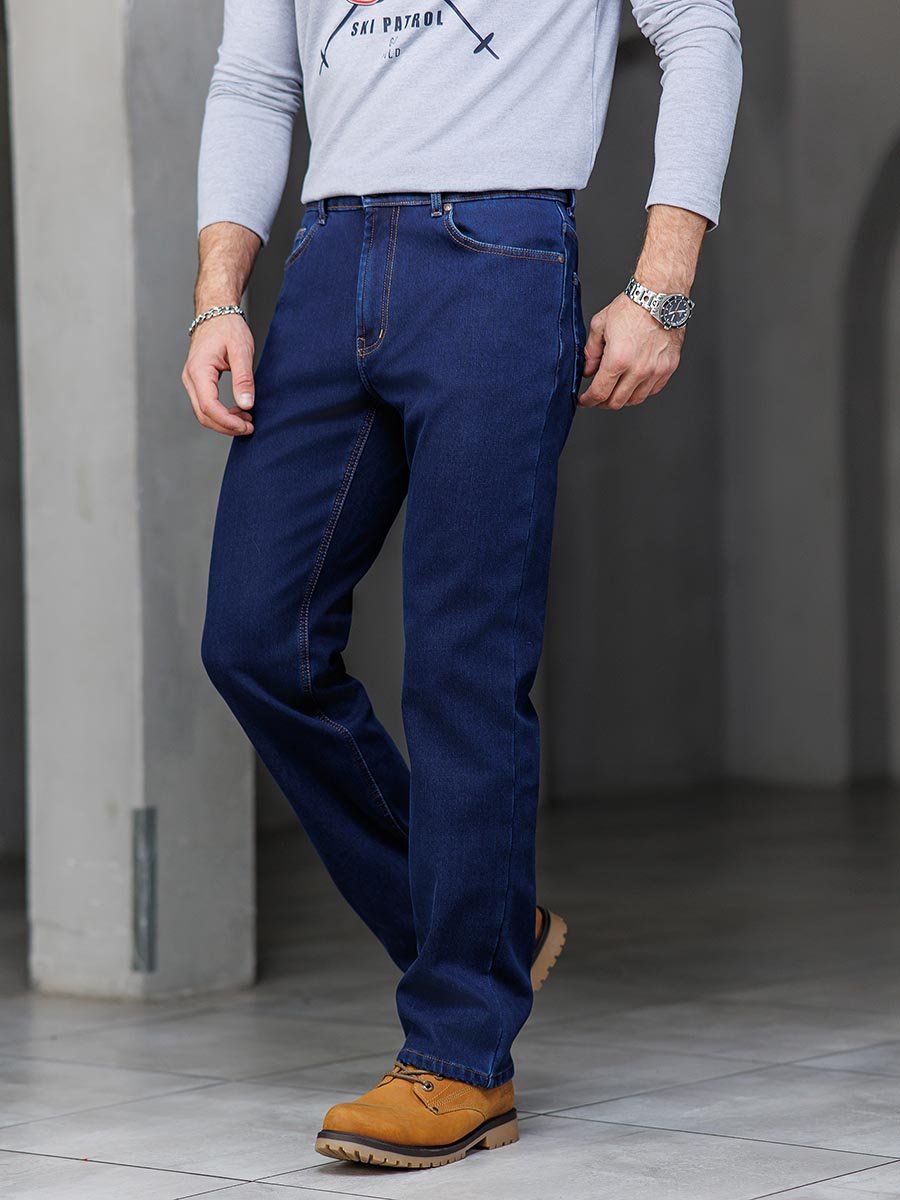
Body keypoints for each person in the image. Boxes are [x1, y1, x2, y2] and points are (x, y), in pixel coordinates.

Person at [183, 0, 742, 1171]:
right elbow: (254, 83)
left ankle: (459, 1060)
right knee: (255, 640)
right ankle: (488, 931)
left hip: (499, 249)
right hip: (326, 261)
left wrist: (663, 283)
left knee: (463, 666)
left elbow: (698, 27)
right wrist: (219, 297)